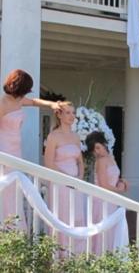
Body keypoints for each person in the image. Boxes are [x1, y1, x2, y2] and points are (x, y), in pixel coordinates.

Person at [0, 69, 60, 229]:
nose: (25, 94)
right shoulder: (2, 103)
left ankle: (15, 224)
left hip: (16, 149)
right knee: (6, 187)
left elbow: (34, 102)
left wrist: (52, 104)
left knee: (15, 187)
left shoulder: (19, 100)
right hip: (4, 148)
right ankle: (6, 226)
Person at [44, 101, 86, 255]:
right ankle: (60, 256)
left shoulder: (75, 137)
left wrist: (79, 177)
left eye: (73, 112)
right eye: (67, 112)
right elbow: (48, 162)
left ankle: (76, 255)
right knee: (62, 217)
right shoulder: (53, 136)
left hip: (76, 183)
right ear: (59, 115)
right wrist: (67, 178)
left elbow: (80, 162)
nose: (71, 116)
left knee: (77, 217)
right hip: (60, 183)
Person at [86, 131, 128, 254]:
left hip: (111, 199)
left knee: (111, 230)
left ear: (104, 143)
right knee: (104, 231)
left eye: (98, 147)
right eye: (94, 150)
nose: (97, 152)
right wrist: (120, 190)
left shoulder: (110, 157)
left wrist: (122, 181)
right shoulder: (101, 161)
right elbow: (104, 185)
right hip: (102, 200)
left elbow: (113, 177)